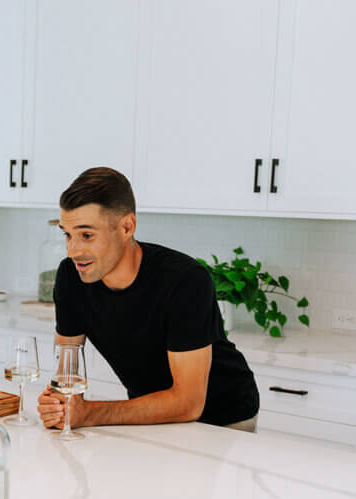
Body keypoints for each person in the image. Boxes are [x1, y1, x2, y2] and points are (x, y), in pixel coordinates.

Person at [37, 167, 260, 432]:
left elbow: (188, 403)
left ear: (126, 227)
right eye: (67, 234)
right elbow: (66, 369)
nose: (73, 250)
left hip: (223, 419)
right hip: (150, 413)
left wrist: (89, 414)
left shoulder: (185, 280)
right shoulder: (71, 277)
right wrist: (60, 405)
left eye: (87, 235)